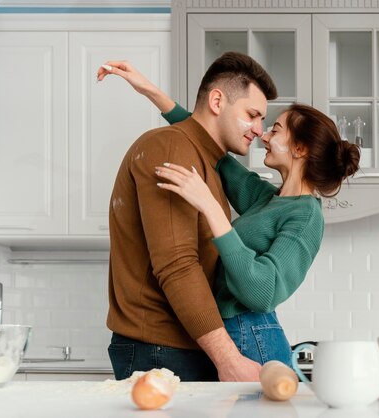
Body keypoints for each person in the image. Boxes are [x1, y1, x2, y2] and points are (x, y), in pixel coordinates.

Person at [99, 58, 361, 372]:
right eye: (254, 116)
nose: (262, 134)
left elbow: (264, 291)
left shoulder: (306, 216)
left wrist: (210, 207)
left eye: (272, 127)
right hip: (229, 336)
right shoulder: (267, 198)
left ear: (300, 149)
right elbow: (211, 145)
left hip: (253, 334)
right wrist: (152, 93)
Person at [104, 52, 278, 382]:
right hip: (160, 351)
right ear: (217, 100)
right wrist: (228, 358)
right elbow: (178, 264)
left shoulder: (204, 159)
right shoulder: (172, 148)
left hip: (179, 347)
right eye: (253, 115)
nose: (259, 130)